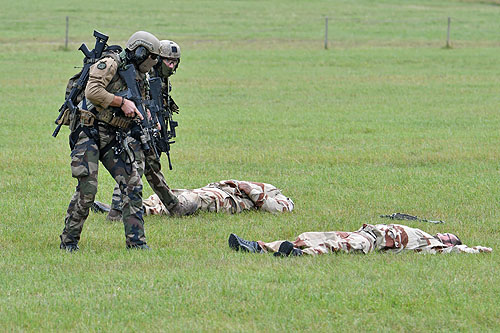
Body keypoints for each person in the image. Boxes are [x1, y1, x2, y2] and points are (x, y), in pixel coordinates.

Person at [59, 31, 162, 251]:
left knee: (132, 183)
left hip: (114, 135)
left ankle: (137, 244)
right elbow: (92, 92)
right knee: (88, 188)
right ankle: (68, 241)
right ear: (141, 51)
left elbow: (139, 102)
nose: (153, 62)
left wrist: (147, 115)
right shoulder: (109, 64)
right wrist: (120, 102)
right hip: (89, 131)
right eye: (151, 57)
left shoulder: (137, 75)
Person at [106, 39, 195, 221]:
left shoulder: (160, 78)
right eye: (168, 61)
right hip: (133, 126)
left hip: (145, 127)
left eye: (175, 62)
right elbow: (140, 101)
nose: (171, 65)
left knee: (143, 167)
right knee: (137, 167)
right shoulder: (143, 74)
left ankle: (118, 210)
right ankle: (171, 206)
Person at [228, 223, 492, 257]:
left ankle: (299, 256)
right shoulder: (425, 233)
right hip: (363, 232)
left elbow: (466, 252)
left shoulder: (431, 247)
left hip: (371, 244)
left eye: (450, 238)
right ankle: (258, 247)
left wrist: (479, 250)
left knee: (335, 246)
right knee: (310, 236)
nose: (445, 235)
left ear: (449, 244)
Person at [142, 180, 294, 215]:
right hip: (215, 190)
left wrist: (252, 191)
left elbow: (281, 209)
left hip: (228, 199)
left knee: (191, 200)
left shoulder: (280, 198)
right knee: (163, 195)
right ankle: (133, 206)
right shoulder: (267, 186)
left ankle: (146, 211)